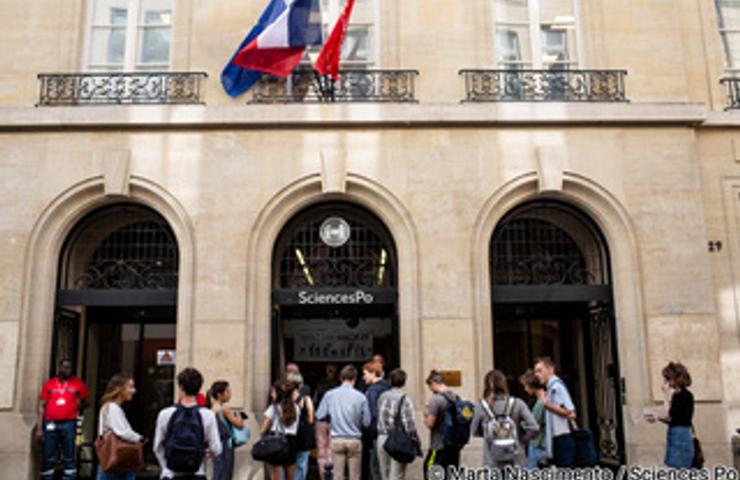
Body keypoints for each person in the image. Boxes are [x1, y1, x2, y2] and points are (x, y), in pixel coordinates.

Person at [153, 367, 222, 480]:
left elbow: (157, 446)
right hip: (197, 472)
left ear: (180, 387)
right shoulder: (207, 415)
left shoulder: (165, 414)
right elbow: (216, 448)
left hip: (170, 473)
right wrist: (203, 455)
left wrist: (165, 467)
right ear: (199, 388)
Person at [471, 370, 538, 467]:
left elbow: (474, 431)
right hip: (516, 460)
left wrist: (490, 433)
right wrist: (521, 439)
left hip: (491, 460)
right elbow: (534, 427)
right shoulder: (518, 403)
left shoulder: (480, 407)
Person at [315, 364, 371, 480]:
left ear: (340, 378)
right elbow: (367, 422)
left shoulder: (330, 395)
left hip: (337, 439)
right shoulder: (361, 397)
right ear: (354, 379)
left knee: (337, 476)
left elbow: (320, 415)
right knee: (355, 476)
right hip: (354, 439)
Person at [37, 358, 90, 480]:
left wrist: (76, 406)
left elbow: (86, 402)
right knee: (48, 455)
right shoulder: (49, 384)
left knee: (69, 455)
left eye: (69, 367)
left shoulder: (78, 384)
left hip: (69, 423)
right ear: (59, 368)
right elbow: (42, 406)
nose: (66, 370)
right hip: (50, 422)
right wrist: (40, 428)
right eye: (64, 367)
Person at [645, 362, 695, 468]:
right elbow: (676, 419)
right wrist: (658, 418)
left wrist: (665, 394)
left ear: (674, 379)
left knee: (676, 469)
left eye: (667, 379)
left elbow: (671, 416)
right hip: (683, 434)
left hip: (679, 437)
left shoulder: (679, 396)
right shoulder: (686, 395)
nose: (665, 382)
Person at [96, 374, 145, 480]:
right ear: (120, 389)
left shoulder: (109, 407)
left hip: (112, 462)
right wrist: (139, 438)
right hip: (118, 462)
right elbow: (122, 432)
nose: (134, 391)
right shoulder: (113, 408)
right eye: (130, 387)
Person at [533, 357, 577, 467]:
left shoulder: (557, 387)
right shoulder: (550, 388)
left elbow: (571, 412)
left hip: (563, 438)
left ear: (551, 370)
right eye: (535, 371)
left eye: (540, 370)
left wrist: (547, 405)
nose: (537, 374)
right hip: (556, 439)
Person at [376, 368, 418, 480]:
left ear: (390, 381)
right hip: (398, 439)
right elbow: (410, 424)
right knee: (396, 475)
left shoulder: (382, 396)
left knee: (385, 473)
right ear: (404, 382)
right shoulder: (405, 398)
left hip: (382, 437)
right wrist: (414, 440)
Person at [261, 380, 301, 480]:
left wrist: (263, 436)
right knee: (290, 476)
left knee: (276, 477)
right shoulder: (296, 408)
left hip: (276, 441)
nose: (271, 395)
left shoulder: (273, 408)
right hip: (291, 442)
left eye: (273, 392)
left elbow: (263, 429)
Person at [423, 370, 461, 476]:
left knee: (430, 471)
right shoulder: (456, 397)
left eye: (430, 387)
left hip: (438, 445)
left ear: (433, 383)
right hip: (454, 445)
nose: (430, 390)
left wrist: (426, 415)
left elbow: (430, 424)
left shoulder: (435, 399)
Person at [208, 380, 245, 480]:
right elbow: (239, 425)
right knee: (225, 471)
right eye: (227, 392)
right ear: (219, 394)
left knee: (218, 470)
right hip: (225, 444)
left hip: (216, 443)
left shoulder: (212, 408)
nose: (230, 394)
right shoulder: (224, 408)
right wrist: (239, 417)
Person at [364, 361, 391, 480]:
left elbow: (372, 414)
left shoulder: (372, 391)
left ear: (373, 373)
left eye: (365, 373)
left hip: (376, 433)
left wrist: (368, 431)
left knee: (376, 466)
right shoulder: (388, 387)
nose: (363, 377)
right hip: (390, 432)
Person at [287, 372, 315, 480]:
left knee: (286, 465)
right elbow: (311, 419)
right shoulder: (306, 399)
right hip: (303, 436)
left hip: (288, 436)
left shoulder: (284, 400)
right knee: (301, 464)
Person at [519, 370, 547, 469]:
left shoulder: (541, 402)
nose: (525, 389)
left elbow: (533, 424)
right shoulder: (544, 398)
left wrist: (518, 423)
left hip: (538, 445)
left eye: (526, 386)